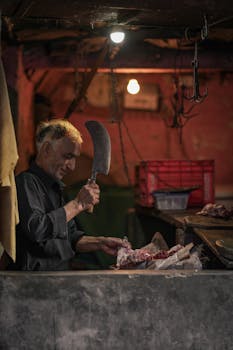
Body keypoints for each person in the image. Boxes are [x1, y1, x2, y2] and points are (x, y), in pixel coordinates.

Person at [10, 119, 124, 271]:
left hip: (59, 277)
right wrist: (78, 204)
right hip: (32, 281)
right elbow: (37, 229)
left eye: (75, 157)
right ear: (46, 149)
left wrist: (100, 243)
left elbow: (71, 238)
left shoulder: (55, 188)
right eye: (68, 156)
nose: (72, 166)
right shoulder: (25, 182)